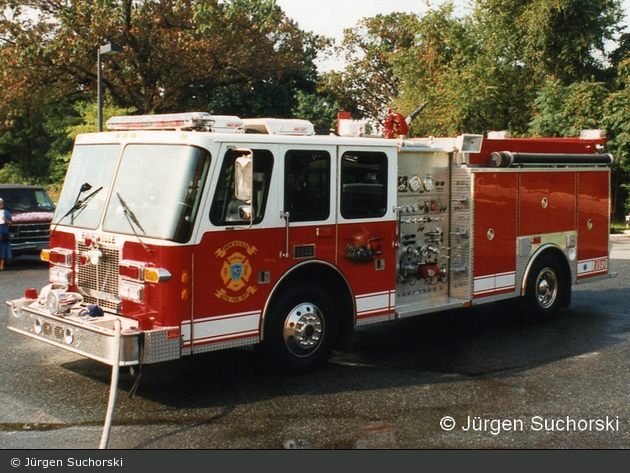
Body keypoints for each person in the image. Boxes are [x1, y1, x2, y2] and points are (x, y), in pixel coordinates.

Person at [0, 197, 13, 270]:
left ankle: (1, 265)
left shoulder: (6, 213)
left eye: (0, 204)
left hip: (3, 231)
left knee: (3, 248)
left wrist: (5, 219)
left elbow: (11, 224)